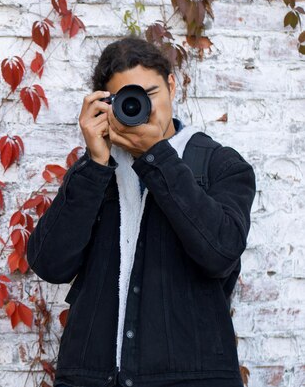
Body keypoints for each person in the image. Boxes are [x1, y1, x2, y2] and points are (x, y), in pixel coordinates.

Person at [26, 36, 256, 387]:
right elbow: (50, 264)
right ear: (105, 103)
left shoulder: (220, 165)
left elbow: (220, 254)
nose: (143, 108)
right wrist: (95, 166)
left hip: (190, 377)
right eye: (127, 100)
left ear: (172, 85)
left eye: (150, 94)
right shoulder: (93, 169)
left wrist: (156, 156)